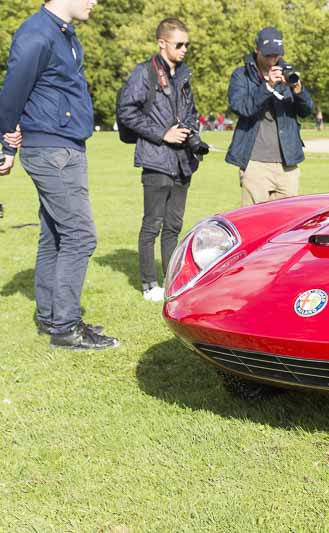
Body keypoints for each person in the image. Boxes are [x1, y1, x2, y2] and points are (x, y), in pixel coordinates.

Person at [0, 0, 119, 349]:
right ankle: (66, 328)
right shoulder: (37, 34)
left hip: (62, 145)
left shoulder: (62, 33)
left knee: (54, 234)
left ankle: (52, 317)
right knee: (81, 236)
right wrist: (5, 144)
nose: (95, 3)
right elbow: (11, 94)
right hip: (53, 151)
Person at [117, 17, 205, 302]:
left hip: (182, 161)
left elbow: (191, 111)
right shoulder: (144, 73)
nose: (184, 50)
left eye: (187, 45)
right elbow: (126, 111)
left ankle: (170, 280)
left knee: (174, 226)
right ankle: (148, 284)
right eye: (179, 44)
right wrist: (162, 134)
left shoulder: (184, 74)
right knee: (151, 224)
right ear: (162, 43)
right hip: (156, 159)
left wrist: (192, 132)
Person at [225, 27, 314, 206]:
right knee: (253, 221)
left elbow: (306, 111)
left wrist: (298, 91)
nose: (273, 59)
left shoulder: (287, 73)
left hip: (287, 163)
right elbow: (242, 107)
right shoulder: (241, 75)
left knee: (287, 221)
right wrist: (267, 87)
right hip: (255, 162)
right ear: (257, 50)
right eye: (268, 55)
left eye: (277, 55)